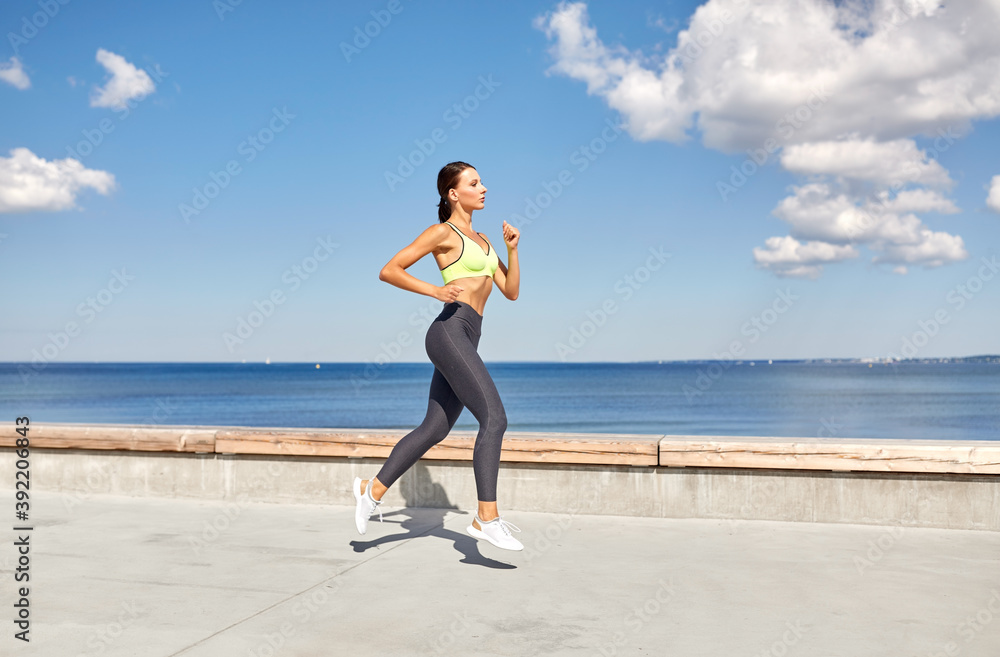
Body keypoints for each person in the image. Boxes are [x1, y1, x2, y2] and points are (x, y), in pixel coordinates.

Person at [353, 161, 524, 551]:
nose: (483, 188)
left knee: (435, 428)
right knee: (495, 419)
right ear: (453, 193)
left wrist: (512, 251)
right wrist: (434, 291)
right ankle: (487, 518)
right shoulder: (441, 233)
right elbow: (389, 270)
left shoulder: (483, 240)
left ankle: (370, 490)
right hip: (449, 330)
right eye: (474, 183)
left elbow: (510, 291)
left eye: (482, 182)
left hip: (469, 333)